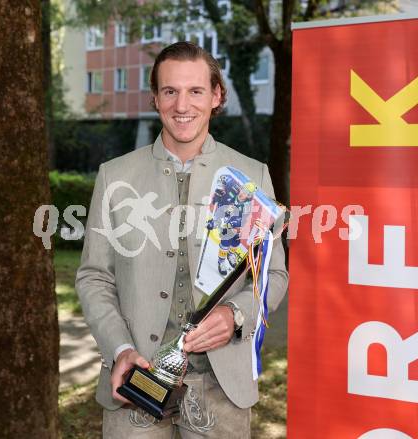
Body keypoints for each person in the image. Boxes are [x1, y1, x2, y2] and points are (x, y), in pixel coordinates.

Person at [76, 41, 288, 439]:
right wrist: (119, 349)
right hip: (136, 380)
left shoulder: (251, 175)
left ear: (216, 96)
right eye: (170, 91)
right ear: (155, 98)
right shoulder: (114, 177)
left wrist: (237, 315)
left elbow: (273, 275)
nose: (182, 105)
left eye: (195, 91)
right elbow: (94, 278)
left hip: (220, 388)